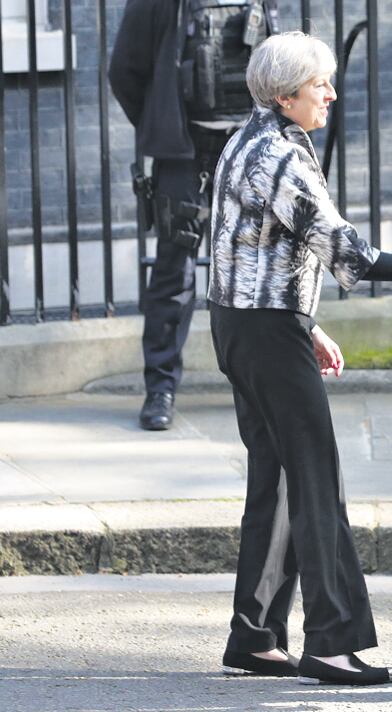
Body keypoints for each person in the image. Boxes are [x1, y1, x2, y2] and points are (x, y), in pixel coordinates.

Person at [208, 31, 392, 684]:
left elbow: (244, 245)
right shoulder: (280, 155)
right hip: (264, 332)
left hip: (242, 325)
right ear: (285, 96)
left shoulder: (246, 138)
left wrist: (301, 325)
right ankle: (332, 643)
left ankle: (254, 636)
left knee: (278, 481)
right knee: (316, 482)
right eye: (320, 86)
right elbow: (348, 252)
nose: (332, 95)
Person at [109, 0, 279, 431]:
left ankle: (255, 385)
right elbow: (124, 72)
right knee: (174, 274)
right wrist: (161, 126)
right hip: (186, 155)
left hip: (248, 150)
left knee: (254, 269)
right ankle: (160, 388)